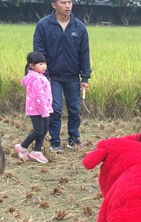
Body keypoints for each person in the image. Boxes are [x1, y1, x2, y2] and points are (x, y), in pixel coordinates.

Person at [33, 0, 92, 152]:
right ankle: (55, 142)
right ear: (54, 5)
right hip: (52, 77)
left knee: (74, 110)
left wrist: (85, 77)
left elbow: (84, 54)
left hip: (73, 76)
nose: (68, 6)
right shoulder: (43, 25)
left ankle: (73, 139)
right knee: (55, 109)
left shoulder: (79, 27)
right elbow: (39, 52)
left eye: (70, 2)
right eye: (63, 2)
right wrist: (44, 76)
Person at [16, 51, 52, 164]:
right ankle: (22, 146)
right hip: (37, 110)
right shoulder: (35, 78)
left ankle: (37, 151)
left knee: (44, 130)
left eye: (44, 63)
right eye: (40, 64)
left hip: (43, 109)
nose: (44, 66)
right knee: (38, 131)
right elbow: (39, 96)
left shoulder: (40, 76)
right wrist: (44, 111)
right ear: (32, 65)